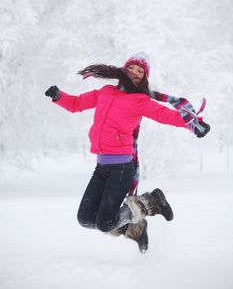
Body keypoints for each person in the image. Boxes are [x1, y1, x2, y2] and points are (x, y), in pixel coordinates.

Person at [45, 53, 210, 253]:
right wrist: (59, 96)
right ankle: (137, 227)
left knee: (105, 223)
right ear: (124, 69)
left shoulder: (140, 100)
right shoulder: (105, 92)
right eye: (132, 67)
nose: (135, 73)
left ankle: (152, 201)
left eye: (140, 71)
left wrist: (194, 124)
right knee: (86, 219)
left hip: (121, 169)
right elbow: (77, 104)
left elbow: (165, 115)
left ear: (144, 78)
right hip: (102, 167)